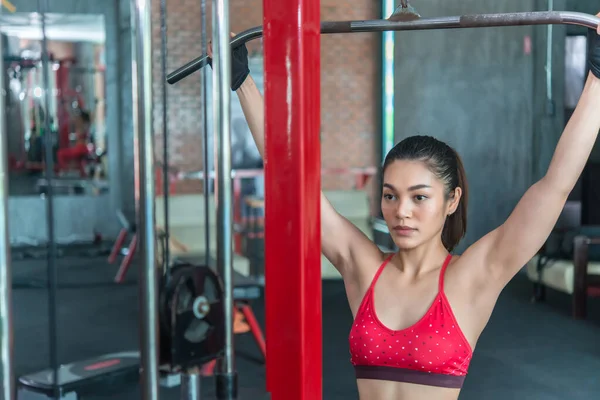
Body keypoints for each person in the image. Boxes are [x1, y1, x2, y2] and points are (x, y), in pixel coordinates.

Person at [208, 19, 600, 400]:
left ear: (453, 201)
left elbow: (555, 187)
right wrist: (241, 80)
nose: (401, 212)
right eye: (391, 195)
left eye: (419, 196)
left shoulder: (474, 275)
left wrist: (598, 75)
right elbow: (291, 181)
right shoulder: (363, 268)